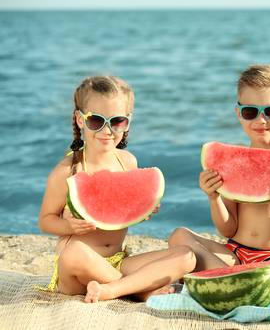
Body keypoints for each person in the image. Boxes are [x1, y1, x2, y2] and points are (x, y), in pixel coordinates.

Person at [38, 75, 195, 303]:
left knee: (186, 256)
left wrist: (141, 211)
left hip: (118, 261)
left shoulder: (128, 162)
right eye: (96, 121)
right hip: (78, 269)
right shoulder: (67, 171)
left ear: (127, 122)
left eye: (117, 121)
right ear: (80, 120)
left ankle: (113, 288)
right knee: (72, 253)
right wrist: (67, 225)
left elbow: (120, 211)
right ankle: (139, 291)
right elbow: (45, 220)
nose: (107, 130)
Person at [168, 64, 270, 289]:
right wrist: (214, 197)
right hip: (233, 253)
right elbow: (228, 230)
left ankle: (222, 278)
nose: (261, 120)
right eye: (250, 112)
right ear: (239, 114)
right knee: (179, 235)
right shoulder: (232, 163)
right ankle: (235, 279)